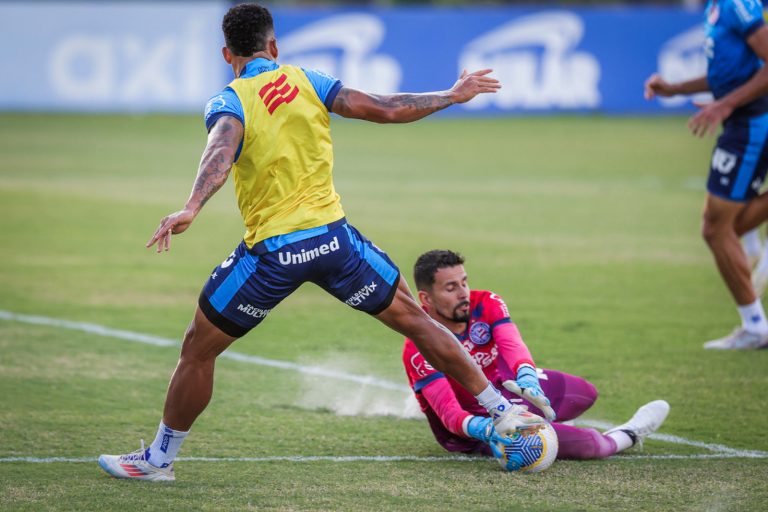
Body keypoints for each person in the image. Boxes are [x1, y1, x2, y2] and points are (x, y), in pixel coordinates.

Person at [98, 3, 543, 481]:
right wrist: (452, 96)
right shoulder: (309, 81)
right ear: (274, 46)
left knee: (197, 350)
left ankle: (159, 460)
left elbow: (220, 151)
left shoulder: (229, 100)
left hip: (273, 255)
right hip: (336, 244)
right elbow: (384, 108)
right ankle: (503, 412)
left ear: (228, 54)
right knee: (415, 319)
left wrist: (191, 206)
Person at [403, 249, 670, 460]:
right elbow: (450, 416)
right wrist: (486, 429)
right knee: (591, 444)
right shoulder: (418, 347)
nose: (464, 294)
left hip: (504, 388)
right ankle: (629, 434)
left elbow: (512, 343)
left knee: (585, 393)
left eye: (464, 282)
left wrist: (526, 375)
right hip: (475, 425)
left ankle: (546, 422)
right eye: (451, 288)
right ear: (426, 300)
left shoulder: (486, 303)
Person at [644, 0, 768, 349]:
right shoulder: (716, 5)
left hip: (751, 122)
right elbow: (729, 72)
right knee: (727, 228)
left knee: (716, 228)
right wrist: (677, 88)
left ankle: (755, 326)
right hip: (742, 120)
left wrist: (726, 103)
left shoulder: (735, 4)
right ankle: (754, 324)